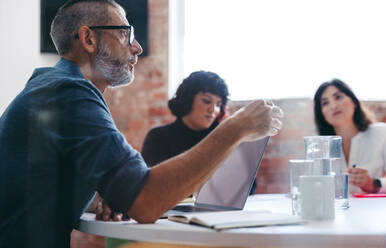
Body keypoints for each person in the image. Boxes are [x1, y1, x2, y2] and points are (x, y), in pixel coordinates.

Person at [0, 1, 283, 247]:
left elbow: (42, 183)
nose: (137, 47)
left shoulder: (53, 89)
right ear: (88, 38)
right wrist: (235, 129)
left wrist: (102, 196)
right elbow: (146, 203)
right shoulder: (67, 93)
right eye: (125, 34)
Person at [313, 79, 386, 193]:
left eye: (338, 97)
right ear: (321, 114)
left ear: (354, 102)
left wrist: (373, 184)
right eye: (325, 103)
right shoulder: (318, 146)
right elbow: (314, 188)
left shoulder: (382, 133)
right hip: (334, 210)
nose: (333, 106)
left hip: (372, 208)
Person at [141, 71, 229, 167]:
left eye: (218, 105)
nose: (213, 110)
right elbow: (153, 180)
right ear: (188, 99)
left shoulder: (221, 137)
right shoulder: (159, 137)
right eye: (206, 101)